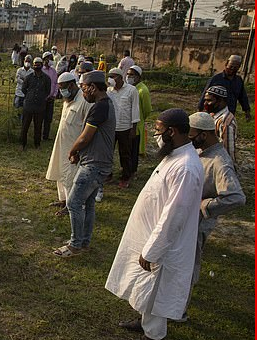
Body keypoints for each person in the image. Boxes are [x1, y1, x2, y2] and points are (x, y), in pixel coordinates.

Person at [105, 108, 204, 340]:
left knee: (157, 294)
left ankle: (153, 334)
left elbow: (174, 216)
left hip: (164, 246)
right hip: (150, 235)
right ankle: (143, 321)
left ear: (172, 131)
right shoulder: (174, 156)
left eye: (159, 131)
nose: (156, 135)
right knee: (146, 290)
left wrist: (153, 250)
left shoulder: (186, 167)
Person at [181, 112, 245, 321]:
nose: (188, 139)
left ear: (205, 134)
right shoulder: (201, 151)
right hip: (186, 218)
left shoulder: (220, 162)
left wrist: (205, 206)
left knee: (188, 264)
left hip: (199, 222)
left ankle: (179, 310)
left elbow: (236, 197)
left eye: (191, 135)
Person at [52, 70, 115, 257]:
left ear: (93, 87)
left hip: (94, 164)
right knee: (88, 204)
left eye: (84, 88)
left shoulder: (99, 107)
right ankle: (84, 241)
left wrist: (73, 151)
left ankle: (75, 245)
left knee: (73, 202)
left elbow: (86, 136)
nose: (83, 92)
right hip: (98, 162)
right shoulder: (105, 104)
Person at [45, 72, 93, 216]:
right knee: (60, 172)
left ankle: (71, 205)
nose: (62, 91)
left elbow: (87, 127)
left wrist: (79, 149)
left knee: (70, 176)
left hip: (74, 147)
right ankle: (63, 199)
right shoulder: (67, 100)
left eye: (63, 87)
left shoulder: (84, 101)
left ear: (72, 85)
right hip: (61, 143)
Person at [107, 67, 140, 189]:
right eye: (110, 76)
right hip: (111, 127)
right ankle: (108, 174)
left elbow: (135, 109)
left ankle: (125, 177)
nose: (111, 79)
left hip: (125, 128)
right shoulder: (108, 91)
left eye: (113, 76)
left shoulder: (131, 90)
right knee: (108, 152)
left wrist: (133, 128)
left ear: (120, 77)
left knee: (125, 154)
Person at [198, 55, 251, 121]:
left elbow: (243, 97)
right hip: (215, 114)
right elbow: (205, 95)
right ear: (226, 64)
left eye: (235, 68)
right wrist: (200, 110)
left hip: (230, 114)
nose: (232, 69)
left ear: (239, 68)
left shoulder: (238, 81)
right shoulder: (216, 79)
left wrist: (247, 111)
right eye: (231, 66)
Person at [20, 57, 51, 150]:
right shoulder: (28, 78)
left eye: (38, 64)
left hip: (40, 106)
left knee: (38, 127)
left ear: (42, 65)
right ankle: (22, 144)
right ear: (33, 65)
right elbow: (23, 89)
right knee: (25, 126)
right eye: (35, 64)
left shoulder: (46, 78)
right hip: (28, 105)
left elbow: (47, 91)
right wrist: (30, 96)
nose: (36, 66)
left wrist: (41, 97)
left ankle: (37, 144)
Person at [127, 65, 152, 177]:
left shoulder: (143, 90)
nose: (128, 77)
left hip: (137, 125)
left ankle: (132, 171)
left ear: (138, 77)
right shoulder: (129, 88)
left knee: (134, 151)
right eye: (127, 74)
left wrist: (141, 119)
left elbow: (147, 109)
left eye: (131, 75)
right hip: (127, 124)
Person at [202, 85, 237, 164]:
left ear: (221, 101)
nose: (205, 104)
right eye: (205, 100)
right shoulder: (212, 115)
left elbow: (228, 151)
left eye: (209, 100)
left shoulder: (226, 122)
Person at [41, 52, 58, 140]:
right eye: (48, 58)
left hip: (51, 98)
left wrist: (54, 94)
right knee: (40, 117)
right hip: (42, 98)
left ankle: (45, 136)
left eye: (51, 59)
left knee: (48, 118)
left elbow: (55, 84)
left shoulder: (53, 71)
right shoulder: (41, 71)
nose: (49, 61)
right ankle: (38, 135)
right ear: (44, 59)